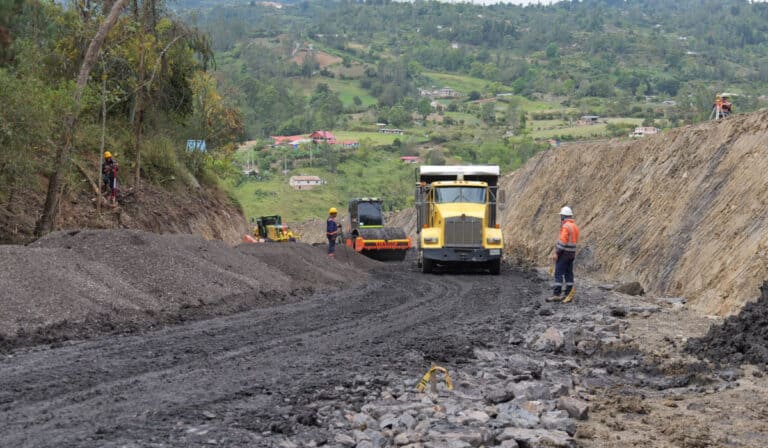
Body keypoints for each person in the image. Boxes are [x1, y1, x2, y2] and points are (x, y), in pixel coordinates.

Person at [548, 206, 580, 303]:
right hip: (571, 253)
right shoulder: (574, 226)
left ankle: (556, 294)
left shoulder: (566, 226)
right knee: (568, 273)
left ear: (563, 216)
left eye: (561, 215)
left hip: (564, 253)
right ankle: (568, 294)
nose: (560, 217)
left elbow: (562, 241)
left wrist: (557, 253)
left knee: (558, 272)